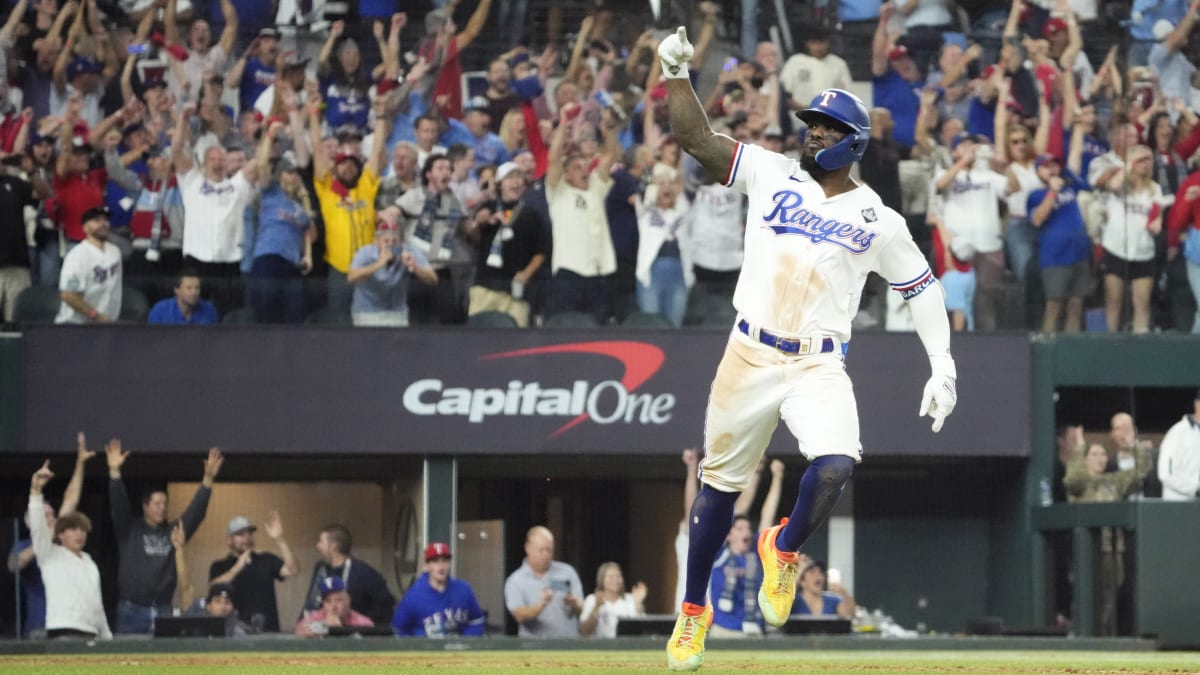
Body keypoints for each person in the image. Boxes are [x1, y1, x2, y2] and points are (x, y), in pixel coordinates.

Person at [657, 27, 957, 672]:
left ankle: (783, 549)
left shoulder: (878, 218)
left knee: (837, 465)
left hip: (819, 359)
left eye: (824, 127)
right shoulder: (770, 171)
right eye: (810, 124)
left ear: (851, 141)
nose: (812, 133)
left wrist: (944, 365)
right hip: (749, 351)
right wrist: (676, 74)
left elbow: (923, 290)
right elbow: (696, 141)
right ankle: (692, 614)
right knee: (717, 488)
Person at [108, 440, 223, 633]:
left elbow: (195, 513)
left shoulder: (173, 532)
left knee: (164, 660)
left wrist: (208, 479)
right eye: (157, 503)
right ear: (145, 507)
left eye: (165, 503)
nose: (162, 508)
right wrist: (114, 473)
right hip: (131, 609)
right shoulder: (130, 530)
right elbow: (118, 504)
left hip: (163, 608)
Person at [8, 432, 93, 637]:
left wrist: (80, 463)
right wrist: (42, 540)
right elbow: (14, 565)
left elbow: (70, 499)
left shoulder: (63, 543)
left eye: (52, 514)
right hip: (40, 625)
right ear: (32, 521)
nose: (51, 518)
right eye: (44, 515)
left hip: (70, 626)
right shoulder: (25, 544)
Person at [1063, 442, 1152, 636]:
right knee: (1085, 594)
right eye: (1094, 454)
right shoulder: (1081, 483)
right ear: (1085, 460)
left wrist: (1137, 448)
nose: (1100, 459)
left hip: (1112, 549)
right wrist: (1078, 449)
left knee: (1109, 596)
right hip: (1085, 549)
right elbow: (1072, 480)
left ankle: (1104, 635)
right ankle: (1080, 633)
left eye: (1103, 454)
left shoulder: (1113, 481)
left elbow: (1139, 473)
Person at [27, 460, 111, 640]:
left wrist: (106, 636)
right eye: (73, 529)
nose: (79, 534)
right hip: (63, 631)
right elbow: (37, 528)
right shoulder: (50, 555)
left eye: (82, 530)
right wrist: (35, 491)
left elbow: (97, 604)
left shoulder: (89, 563)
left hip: (91, 633)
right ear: (61, 535)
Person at [467, 161, 550, 327]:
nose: (516, 182)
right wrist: (479, 221)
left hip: (516, 290)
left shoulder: (532, 215)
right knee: (477, 336)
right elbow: (473, 236)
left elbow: (541, 251)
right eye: (510, 177)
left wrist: (527, 273)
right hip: (485, 286)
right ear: (499, 184)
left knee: (516, 341)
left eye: (520, 177)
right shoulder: (488, 207)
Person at [207, 512, 301, 632]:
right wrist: (237, 568)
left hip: (268, 633)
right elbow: (213, 588)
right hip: (235, 634)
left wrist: (279, 539)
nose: (247, 538)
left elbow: (293, 569)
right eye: (240, 534)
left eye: (249, 533)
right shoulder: (219, 566)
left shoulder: (266, 559)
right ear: (229, 540)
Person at [300, 524, 395, 626]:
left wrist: (361, 623)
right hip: (320, 629)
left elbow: (386, 602)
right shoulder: (320, 568)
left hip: (354, 633)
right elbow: (311, 601)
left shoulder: (362, 572)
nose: (318, 545)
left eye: (321, 541)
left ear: (333, 546)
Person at [347, 220, 437, 326]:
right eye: (386, 241)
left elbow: (433, 279)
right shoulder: (365, 252)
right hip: (367, 311)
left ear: (401, 242)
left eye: (395, 241)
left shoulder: (409, 251)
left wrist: (414, 266)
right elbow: (351, 277)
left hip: (396, 312)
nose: (390, 245)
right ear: (376, 241)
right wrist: (379, 263)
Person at [391, 542, 486, 638]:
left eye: (444, 560)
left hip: (458, 650)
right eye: (435, 561)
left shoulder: (464, 590)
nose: (441, 566)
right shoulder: (413, 596)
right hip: (426, 650)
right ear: (427, 566)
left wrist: (464, 640)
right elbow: (398, 630)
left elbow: (477, 621)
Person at [504, 526, 584, 638]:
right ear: (527, 548)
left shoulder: (567, 572)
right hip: (535, 649)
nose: (546, 555)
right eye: (541, 550)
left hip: (568, 648)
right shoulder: (515, 581)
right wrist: (540, 606)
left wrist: (575, 604)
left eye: (549, 550)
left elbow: (582, 609)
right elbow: (519, 615)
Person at [55, 206, 121, 324]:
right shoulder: (77, 254)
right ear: (85, 228)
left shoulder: (115, 252)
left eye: (105, 220)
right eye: (96, 220)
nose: (103, 224)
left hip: (106, 325)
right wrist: (94, 315)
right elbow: (68, 295)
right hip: (74, 324)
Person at [580, 562, 647, 638]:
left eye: (618, 576)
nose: (615, 580)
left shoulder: (630, 599)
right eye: (611, 577)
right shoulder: (592, 599)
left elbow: (641, 629)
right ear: (602, 580)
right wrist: (597, 607)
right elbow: (585, 631)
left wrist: (638, 603)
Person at [296, 576, 374, 637]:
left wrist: (338, 631)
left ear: (348, 600)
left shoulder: (363, 623)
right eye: (328, 601)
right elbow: (298, 635)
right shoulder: (312, 619)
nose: (333, 606)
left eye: (338, 600)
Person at [1158, 390, 1200, 501]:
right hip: (1179, 506)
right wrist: (1196, 489)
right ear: (1197, 404)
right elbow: (1166, 473)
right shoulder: (1178, 432)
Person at [791, 557, 856, 619]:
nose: (818, 575)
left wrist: (843, 592)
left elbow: (850, 615)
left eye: (821, 572)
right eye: (812, 572)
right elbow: (782, 609)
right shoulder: (794, 600)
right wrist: (800, 570)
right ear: (802, 582)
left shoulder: (832, 600)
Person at [147, 272, 219, 325]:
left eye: (197, 288)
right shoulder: (160, 310)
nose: (194, 292)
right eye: (189, 288)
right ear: (177, 290)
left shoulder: (209, 309)